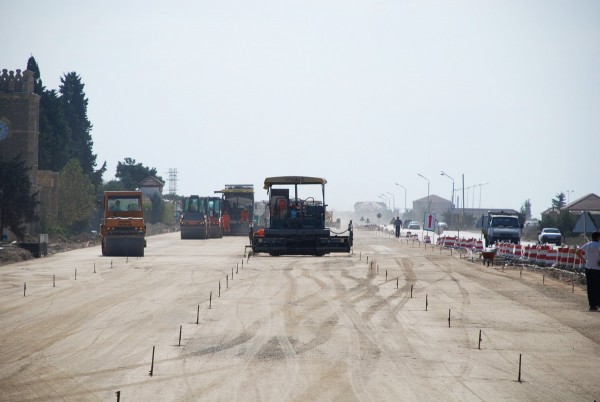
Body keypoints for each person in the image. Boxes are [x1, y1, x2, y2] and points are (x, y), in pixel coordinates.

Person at [576, 231, 600, 311]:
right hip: (597, 269)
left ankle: (592, 305)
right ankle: (598, 303)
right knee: (597, 287)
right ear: (598, 237)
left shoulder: (588, 244)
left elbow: (578, 252)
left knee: (590, 287)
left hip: (588, 268)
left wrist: (583, 260)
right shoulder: (598, 245)